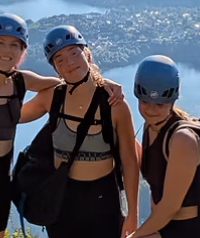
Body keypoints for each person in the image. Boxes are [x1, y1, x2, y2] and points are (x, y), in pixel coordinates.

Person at [0, 14, 123, 238]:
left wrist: (103, 83)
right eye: (0, 43)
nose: (7, 51)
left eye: (14, 45)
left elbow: (71, 82)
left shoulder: (23, 81)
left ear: (22, 52)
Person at [20, 25, 140, 238]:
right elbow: (13, 116)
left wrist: (132, 214)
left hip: (104, 201)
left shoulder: (114, 104)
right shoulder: (52, 97)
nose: (69, 63)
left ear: (87, 54)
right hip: (62, 201)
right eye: (60, 60)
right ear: (55, 69)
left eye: (74, 53)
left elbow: (130, 162)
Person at [129, 55, 200, 238]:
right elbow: (153, 163)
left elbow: (170, 207)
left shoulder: (182, 139)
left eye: (160, 104)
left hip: (190, 230)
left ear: (172, 100)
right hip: (165, 226)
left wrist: (134, 236)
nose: (151, 109)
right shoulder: (151, 126)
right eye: (145, 101)